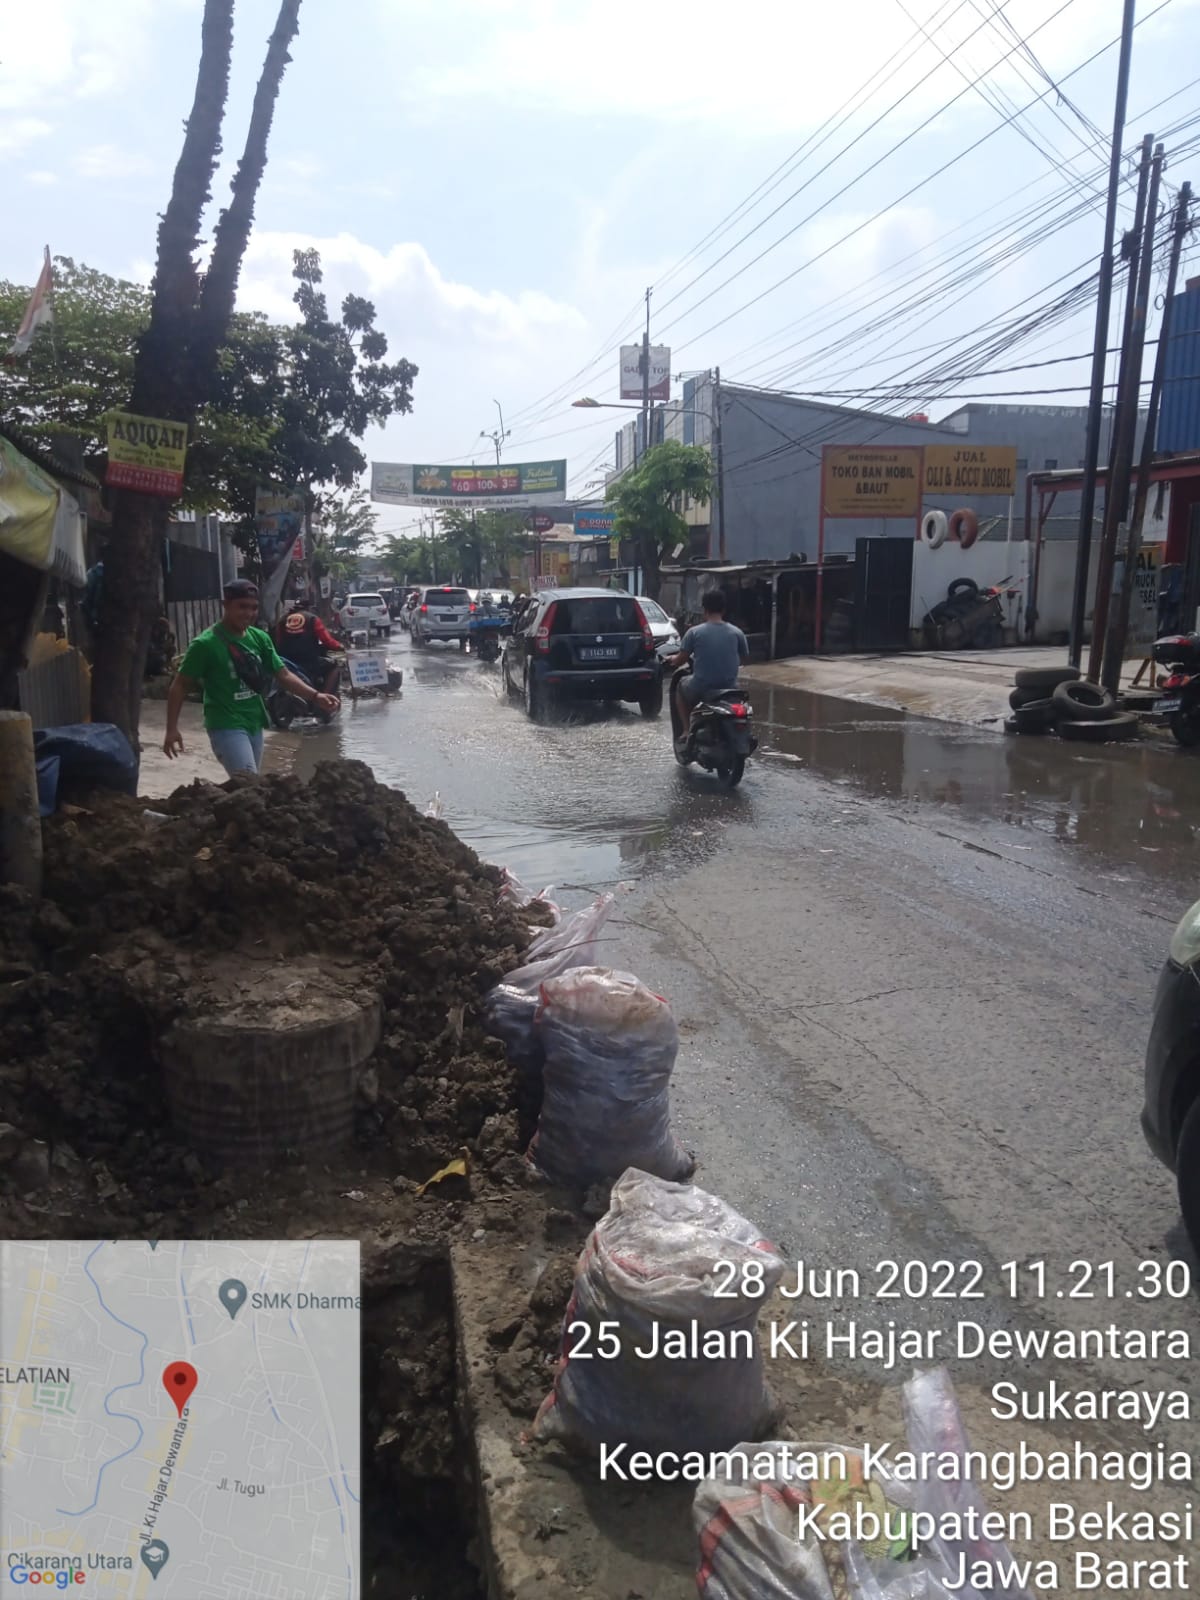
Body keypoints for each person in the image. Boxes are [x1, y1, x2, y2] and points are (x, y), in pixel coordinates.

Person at [163, 580, 340, 777]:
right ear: (226, 605)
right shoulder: (204, 645)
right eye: (242, 607)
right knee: (248, 781)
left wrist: (316, 696)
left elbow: (283, 674)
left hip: (255, 722)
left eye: (254, 608)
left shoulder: (260, 638)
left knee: (249, 788)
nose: (248, 613)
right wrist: (172, 729)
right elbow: (179, 685)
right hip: (225, 725)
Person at [669, 589, 749, 734]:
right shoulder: (737, 633)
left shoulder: (694, 632)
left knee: (680, 686)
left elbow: (681, 660)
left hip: (701, 688)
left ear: (704, 609)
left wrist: (672, 660)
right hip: (730, 689)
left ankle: (687, 730)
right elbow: (744, 659)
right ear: (724, 609)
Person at [274, 602, 345, 697]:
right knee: (334, 666)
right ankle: (326, 699)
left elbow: (277, 641)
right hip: (309, 661)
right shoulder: (312, 619)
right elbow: (327, 641)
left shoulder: (283, 620)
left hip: (285, 661)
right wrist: (340, 646)